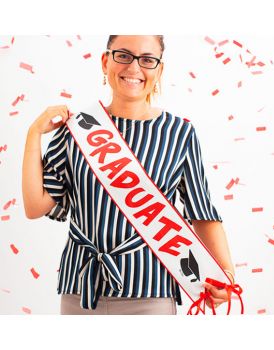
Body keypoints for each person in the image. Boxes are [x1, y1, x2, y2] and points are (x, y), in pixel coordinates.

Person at [22, 35, 235, 315]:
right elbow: (35, 206)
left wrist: (227, 274)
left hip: (152, 292)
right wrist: (33, 133)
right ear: (105, 61)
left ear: (159, 70)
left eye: (147, 60)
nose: (134, 68)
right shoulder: (76, 129)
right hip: (81, 288)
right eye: (123, 55)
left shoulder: (180, 133)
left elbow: (201, 211)